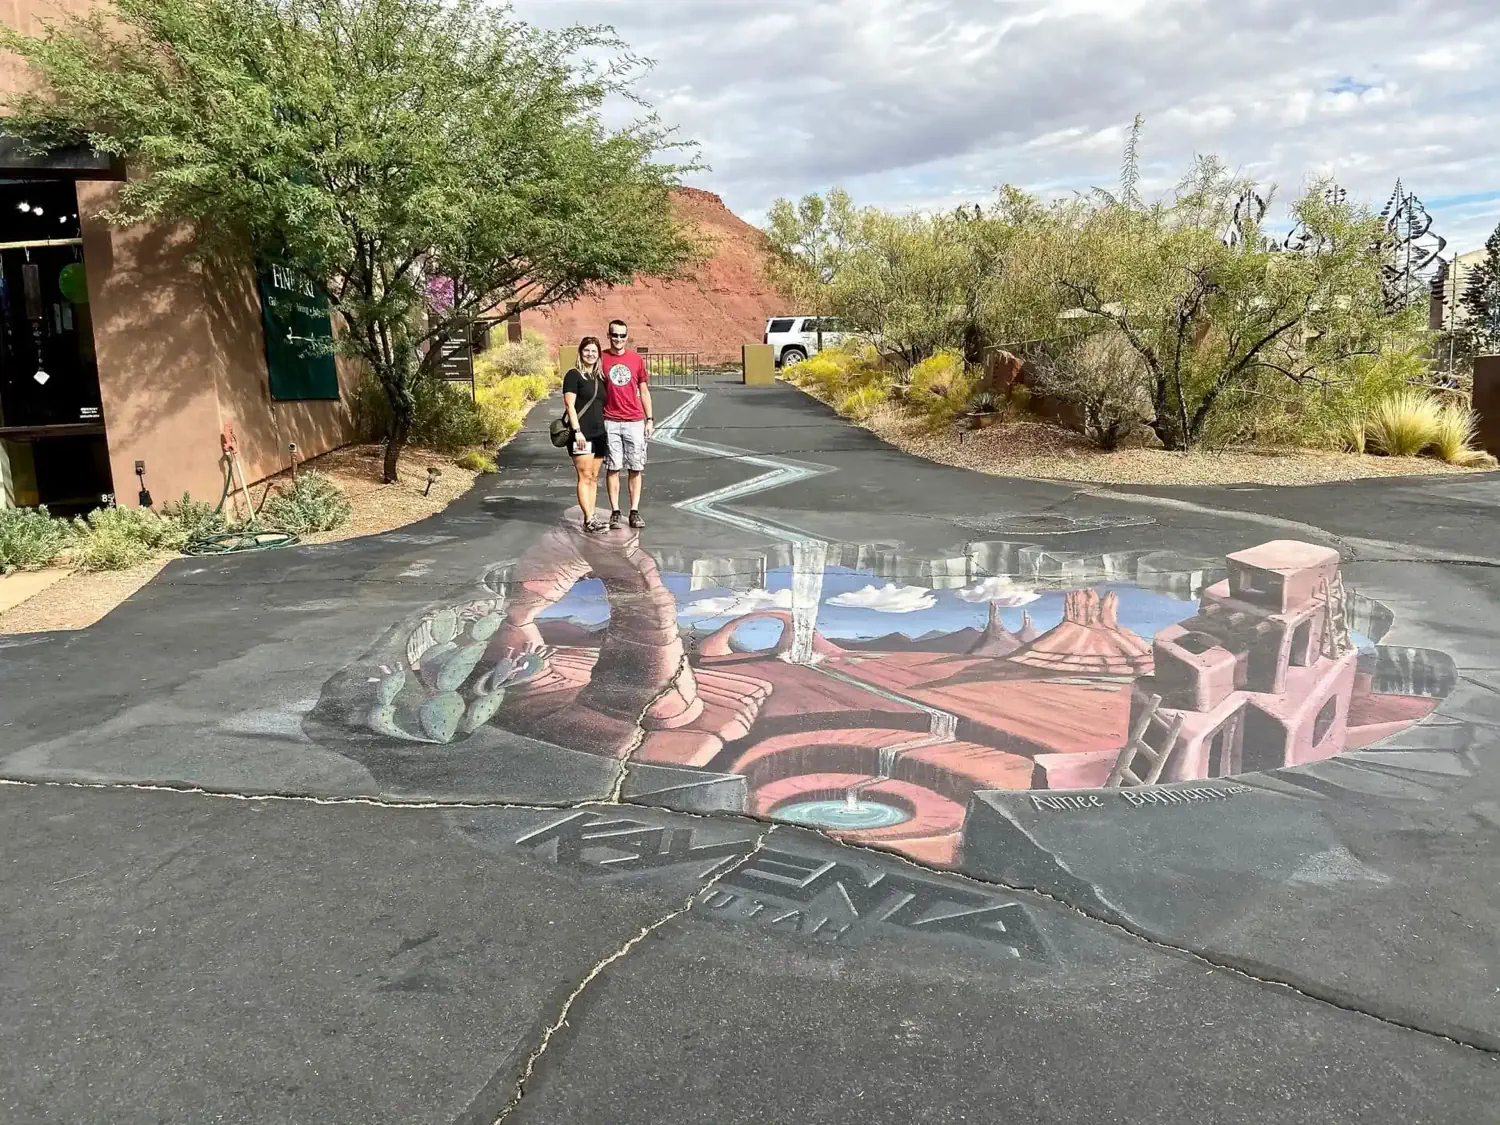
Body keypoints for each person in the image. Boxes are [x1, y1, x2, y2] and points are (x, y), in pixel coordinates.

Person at [600, 318, 654, 529]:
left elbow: (644, 391)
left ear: (627, 337)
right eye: (615, 335)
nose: (619, 339)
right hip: (610, 420)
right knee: (613, 467)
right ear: (609, 335)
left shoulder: (636, 360)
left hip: (634, 420)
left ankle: (634, 511)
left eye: (623, 336)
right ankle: (615, 511)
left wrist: (650, 419)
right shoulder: (601, 358)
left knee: (635, 467)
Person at [561, 336, 608, 532]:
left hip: (599, 433)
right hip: (582, 434)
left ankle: (593, 516)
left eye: (594, 351)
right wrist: (577, 431)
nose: (590, 354)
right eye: (587, 350)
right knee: (584, 475)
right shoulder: (573, 375)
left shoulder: (599, 377)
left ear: (598, 355)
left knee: (594, 476)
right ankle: (588, 519)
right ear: (581, 352)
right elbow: (569, 405)